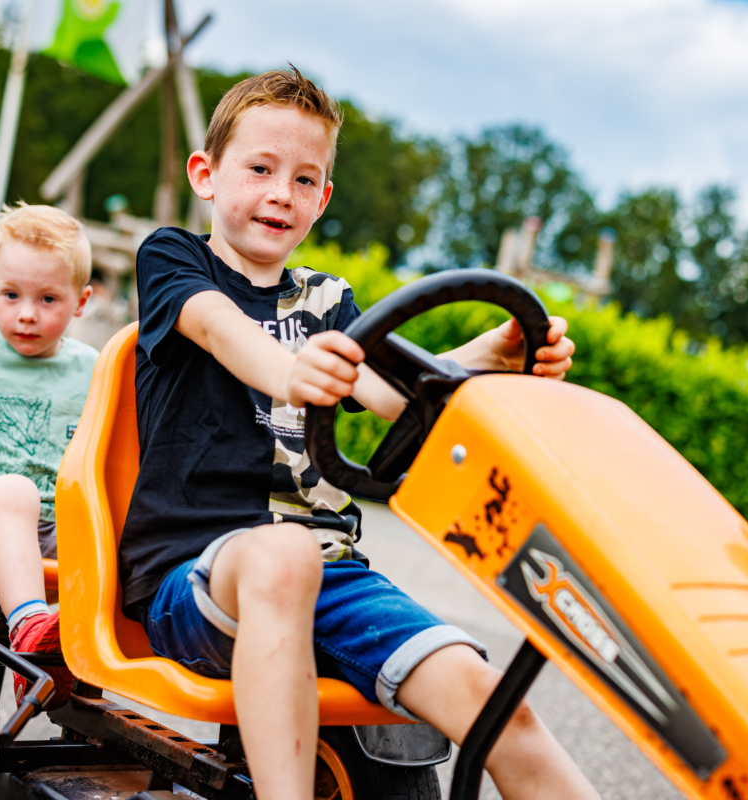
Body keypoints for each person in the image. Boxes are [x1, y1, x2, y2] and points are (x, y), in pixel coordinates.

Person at [119, 67, 600, 800]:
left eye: (305, 179)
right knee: (281, 553)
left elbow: (382, 386)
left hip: (330, 575)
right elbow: (218, 329)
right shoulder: (173, 258)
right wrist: (290, 372)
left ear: (324, 198)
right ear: (206, 174)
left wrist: (487, 359)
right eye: (261, 168)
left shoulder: (328, 300)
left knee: (499, 703)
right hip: (196, 579)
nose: (283, 192)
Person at [0, 203, 96, 707]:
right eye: (12, 295)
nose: (26, 313)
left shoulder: (92, 368)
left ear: (81, 301)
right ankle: (29, 634)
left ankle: (75, 665)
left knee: (125, 524)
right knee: (12, 491)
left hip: (54, 527)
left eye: (48, 299)